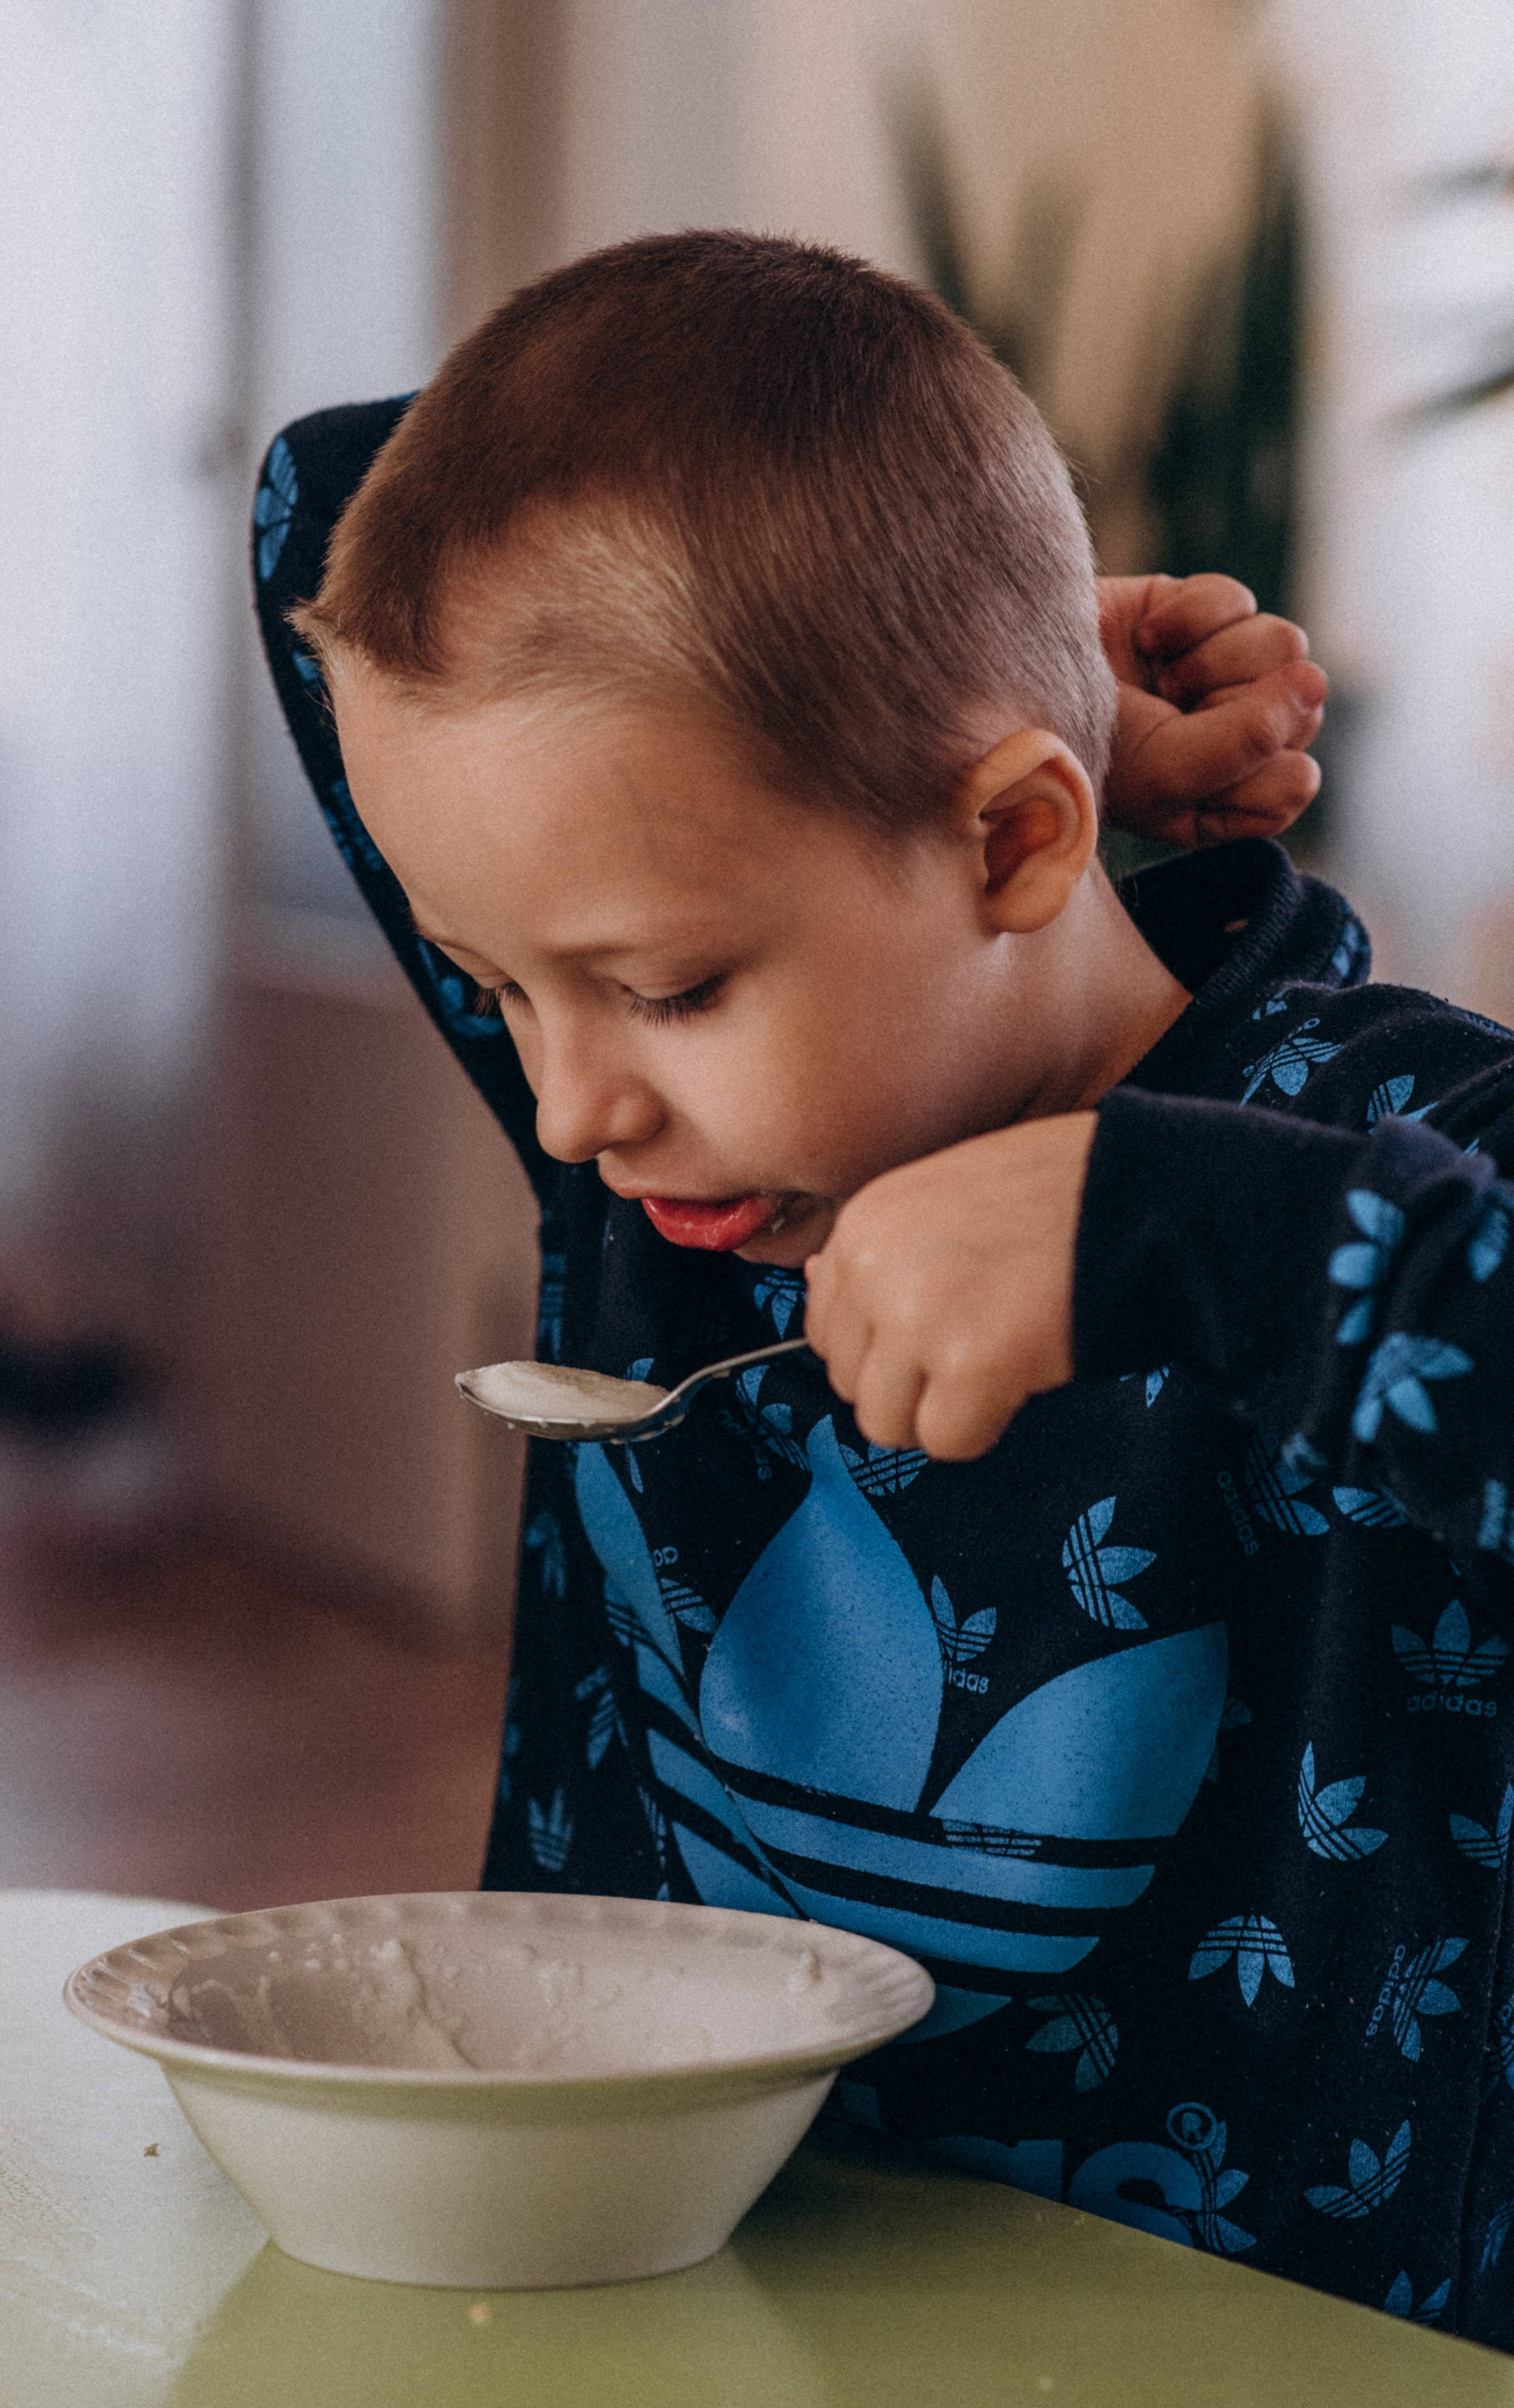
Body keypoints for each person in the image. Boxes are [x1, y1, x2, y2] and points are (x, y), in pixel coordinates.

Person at [253, 232, 1514, 2344]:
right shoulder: (691, 1142)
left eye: (665, 989)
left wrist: (1166, 1233)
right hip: (654, 2326)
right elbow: (331, 504)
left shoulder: (1370, 1145)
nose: (565, 1109)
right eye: (495, 987)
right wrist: (995, 680)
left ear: (1023, 852)